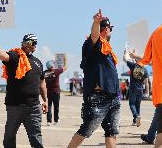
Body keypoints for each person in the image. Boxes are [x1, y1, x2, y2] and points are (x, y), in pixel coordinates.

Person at [68, 9, 121, 148]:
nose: (111, 31)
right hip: (99, 98)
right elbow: (94, 35)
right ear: (106, 29)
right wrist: (96, 22)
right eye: (111, 29)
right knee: (85, 131)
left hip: (113, 97)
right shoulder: (93, 44)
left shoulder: (107, 48)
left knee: (111, 132)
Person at [0, 33, 48, 148]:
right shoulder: (16, 56)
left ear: (35, 46)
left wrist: (45, 100)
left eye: (33, 43)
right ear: (22, 42)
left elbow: (42, 82)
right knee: (9, 137)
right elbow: (5, 56)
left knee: (36, 137)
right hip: (15, 106)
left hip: (34, 107)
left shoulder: (38, 62)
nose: (29, 45)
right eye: (27, 42)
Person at [129, 25, 162, 148]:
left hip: (159, 88)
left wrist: (133, 57)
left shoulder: (157, 33)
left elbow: (146, 59)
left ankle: (149, 135)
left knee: (160, 133)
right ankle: (150, 136)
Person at [123, 50, 149, 127]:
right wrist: (147, 91)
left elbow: (125, 59)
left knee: (132, 104)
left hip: (133, 88)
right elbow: (146, 82)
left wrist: (126, 53)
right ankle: (135, 120)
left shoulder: (133, 66)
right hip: (140, 89)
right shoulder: (145, 70)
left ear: (136, 60)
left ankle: (136, 116)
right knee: (138, 105)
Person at [44, 57, 67, 126]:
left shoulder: (44, 73)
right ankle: (56, 120)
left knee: (49, 106)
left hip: (48, 92)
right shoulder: (56, 71)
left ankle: (49, 121)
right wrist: (65, 60)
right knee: (56, 106)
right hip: (56, 92)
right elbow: (65, 68)